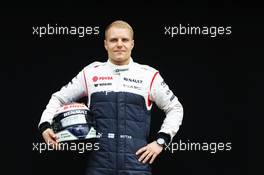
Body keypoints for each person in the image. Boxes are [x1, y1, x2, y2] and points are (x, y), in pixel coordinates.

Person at [39, 20, 183, 175]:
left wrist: (161, 141)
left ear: (132, 44)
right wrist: (45, 125)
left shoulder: (149, 75)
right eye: (114, 40)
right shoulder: (90, 73)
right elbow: (59, 98)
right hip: (98, 166)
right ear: (105, 44)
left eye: (125, 40)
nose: (119, 44)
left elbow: (175, 108)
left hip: (136, 166)